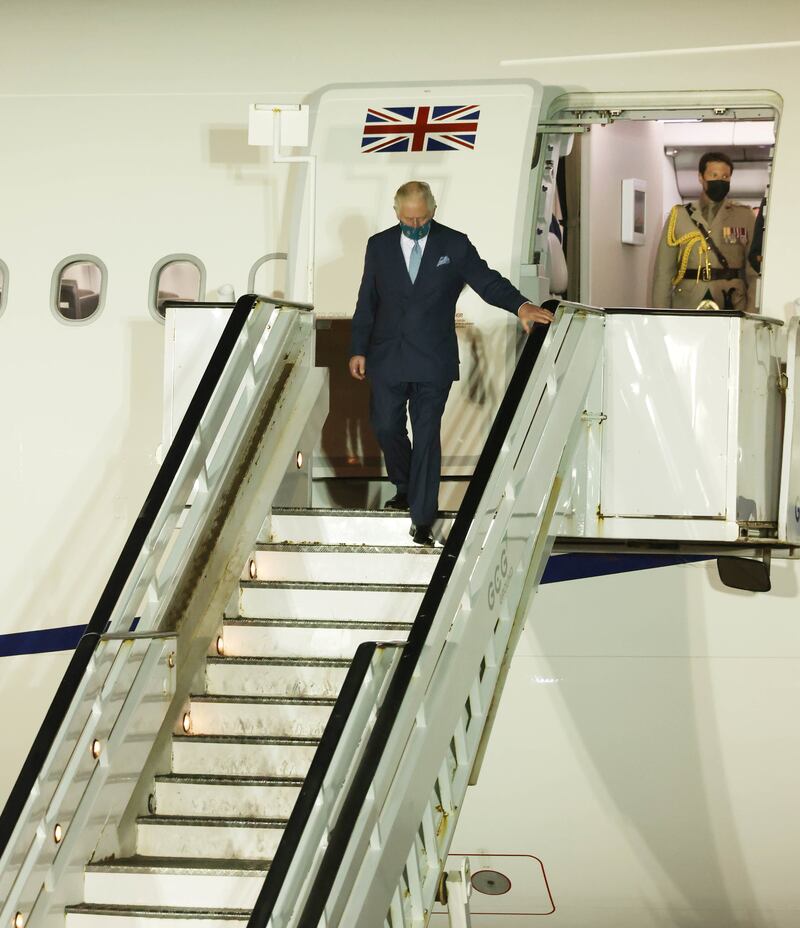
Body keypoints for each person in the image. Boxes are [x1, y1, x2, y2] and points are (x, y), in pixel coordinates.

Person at [348, 180, 553, 546]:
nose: (414, 226)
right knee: (384, 426)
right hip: (387, 357)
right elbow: (367, 301)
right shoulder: (378, 246)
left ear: (433, 210)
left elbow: (486, 281)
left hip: (432, 360)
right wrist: (357, 348)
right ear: (396, 213)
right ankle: (405, 486)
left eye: (421, 219)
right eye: (408, 220)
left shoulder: (454, 244)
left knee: (426, 436)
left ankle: (422, 517)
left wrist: (521, 305)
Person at [651, 151, 758, 311]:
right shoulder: (679, 216)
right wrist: (660, 315)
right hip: (688, 302)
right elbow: (663, 272)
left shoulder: (744, 216)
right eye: (714, 175)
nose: (720, 181)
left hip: (731, 302)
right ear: (701, 177)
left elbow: (753, 271)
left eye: (725, 177)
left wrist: (752, 314)